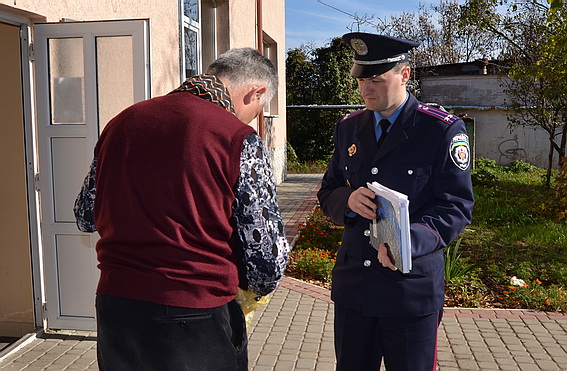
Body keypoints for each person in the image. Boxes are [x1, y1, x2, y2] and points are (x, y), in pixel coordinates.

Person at [73, 47, 289, 371]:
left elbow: (85, 215)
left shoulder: (121, 123)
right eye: (259, 108)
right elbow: (266, 260)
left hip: (117, 310)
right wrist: (254, 290)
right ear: (255, 92)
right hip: (193, 316)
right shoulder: (236, 138)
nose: (253, 118)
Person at [317, 33, 474, 371]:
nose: (365, 89)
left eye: (375, 80)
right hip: (355, 290)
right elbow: (327, 191)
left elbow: (456, 206)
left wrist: (408, 242)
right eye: (361, 79)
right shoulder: (348, 128)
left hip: (409, 293)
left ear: (404, 75)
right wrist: (348, 199)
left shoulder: (439, 130)